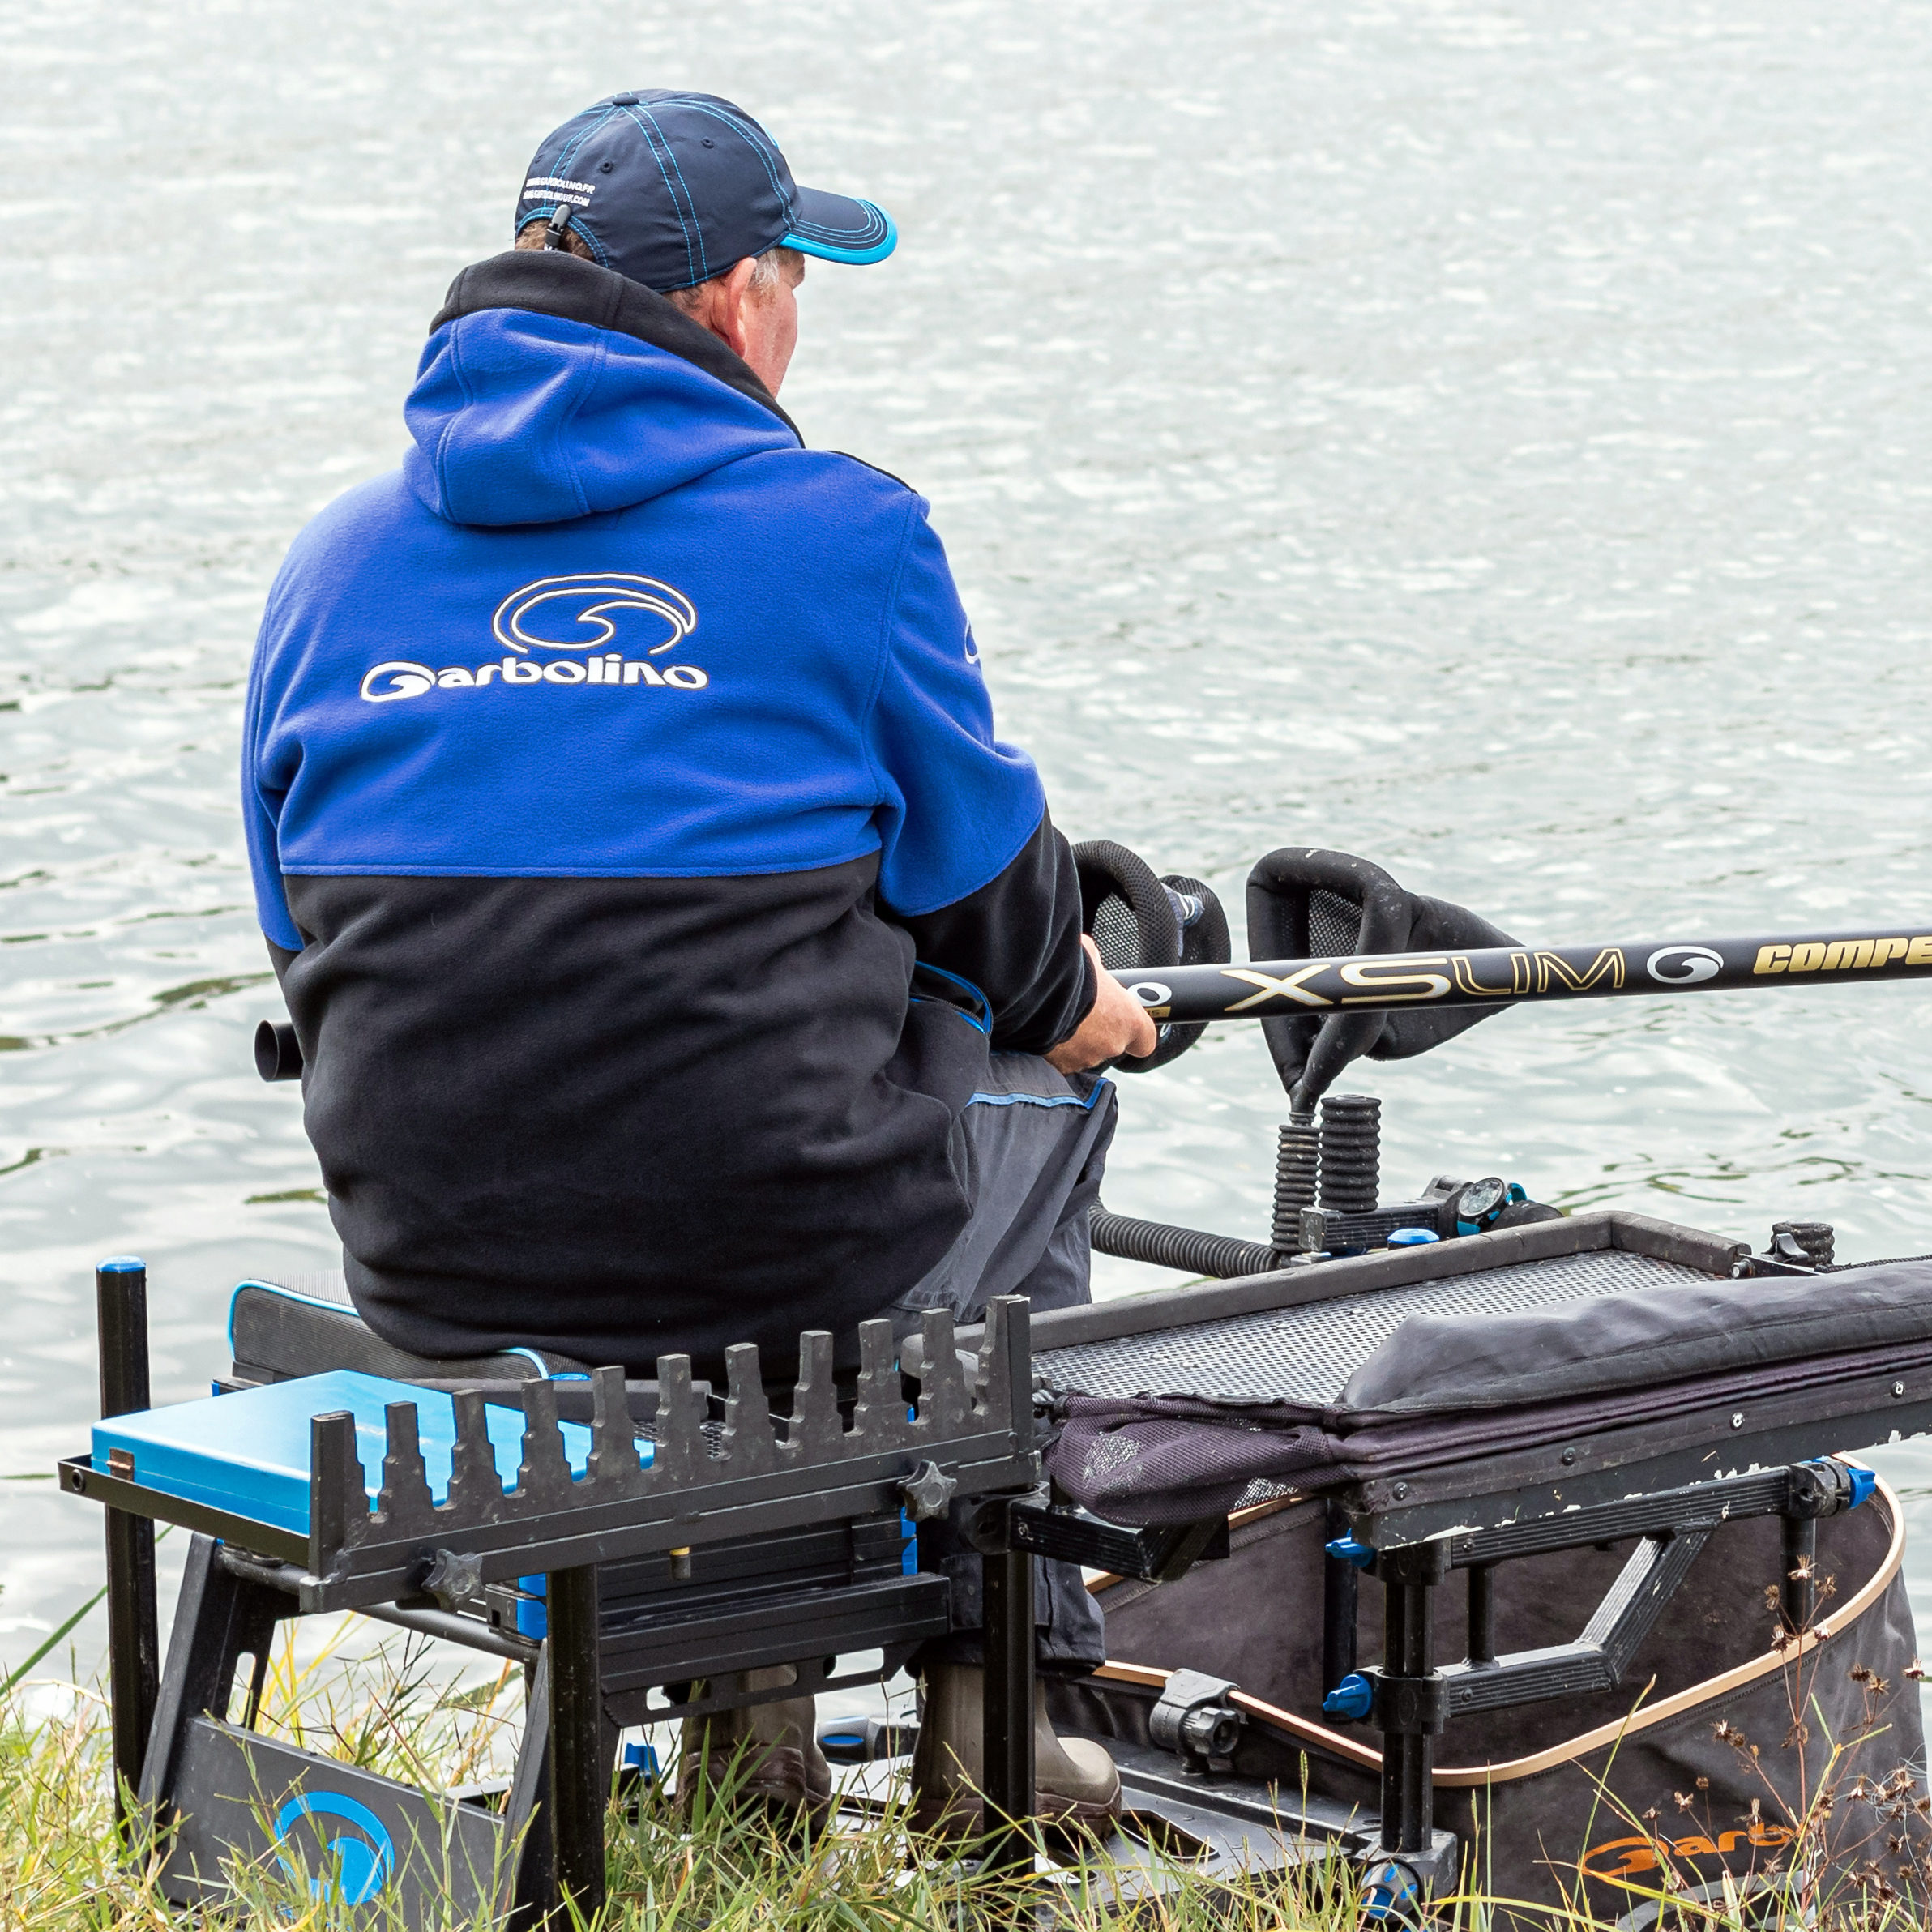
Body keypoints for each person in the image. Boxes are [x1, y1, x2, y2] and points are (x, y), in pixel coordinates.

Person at [242, 88, 1154, 1832]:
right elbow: (989, 888)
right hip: (760, 1263)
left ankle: (752, 1722)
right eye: (798, 275)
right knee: (1041, 1094)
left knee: (748, 1094)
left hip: (426, 1272)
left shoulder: (332, 559)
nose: (799, 318)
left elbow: (298, 934)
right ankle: (1006, 1713)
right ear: (737, 296)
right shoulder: (841, 528)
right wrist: (1080, 1005)